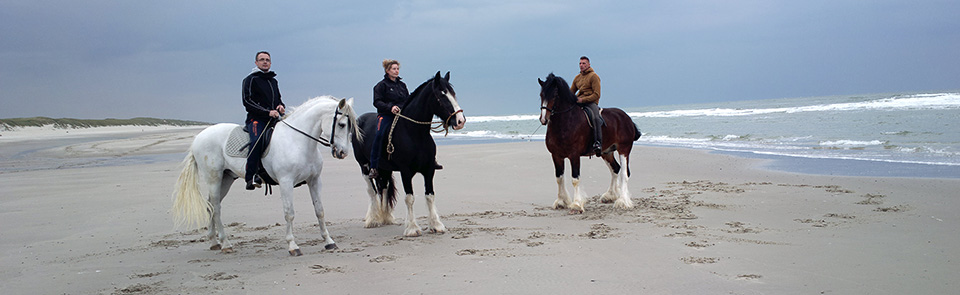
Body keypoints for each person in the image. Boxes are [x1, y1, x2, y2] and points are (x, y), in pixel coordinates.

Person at [242, 51, 285, 190]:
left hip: (274, 119)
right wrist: (267, 112)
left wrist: (280, 107)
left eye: (267, 60)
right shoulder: (250, 80)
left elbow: (278, 99)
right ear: (256, 63)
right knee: (257, 140)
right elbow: (247, 101)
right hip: (256, 120)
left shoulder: (273, 81)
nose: (265, 62)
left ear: (270, 63)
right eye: (262, 59)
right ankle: (251, 176)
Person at [368, 59, 409, 177]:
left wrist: (401, 108)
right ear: (387, 70)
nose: (396, 71)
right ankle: (374, 166)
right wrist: (390, 107)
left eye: (397, 69)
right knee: (379, 135)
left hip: (401, 115)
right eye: (394, 69)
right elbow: (377, 102)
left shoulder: (402, 85)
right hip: (386, 115)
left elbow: (407, 100)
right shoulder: (381, 86)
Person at [570, 56, 603, 156]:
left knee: (596, 118)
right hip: (579, 102)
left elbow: (597, 94)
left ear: (589, 64)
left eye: (584, 63)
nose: (581, 65)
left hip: (591, 102)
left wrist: (583, 99)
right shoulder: (577, 78)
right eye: (580, 63)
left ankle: (598, 142)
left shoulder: (594, 76)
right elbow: (571, 92)